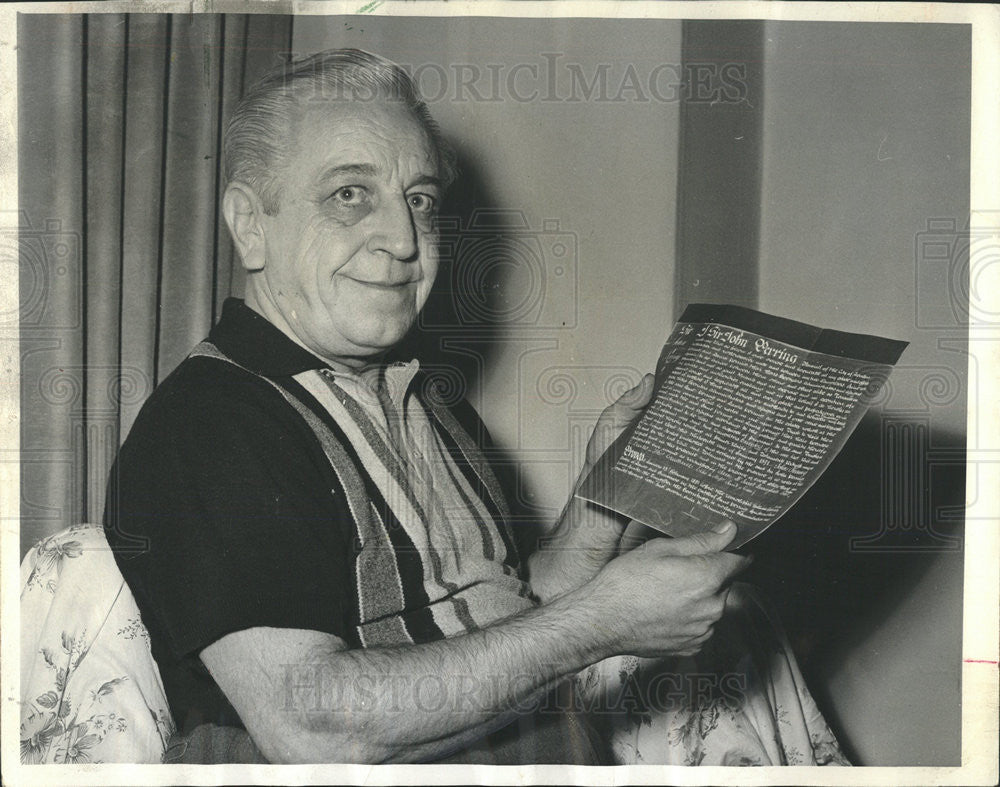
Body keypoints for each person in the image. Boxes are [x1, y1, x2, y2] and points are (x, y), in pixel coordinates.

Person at [103, 48, 830, 766]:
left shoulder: (418, 394)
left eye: (419, 199)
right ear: (250, 224)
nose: (402, 240)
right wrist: (602, 623)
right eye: (349, 194)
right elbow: (311, 725)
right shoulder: (210, 423)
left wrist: (601, 506)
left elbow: (496, 620)